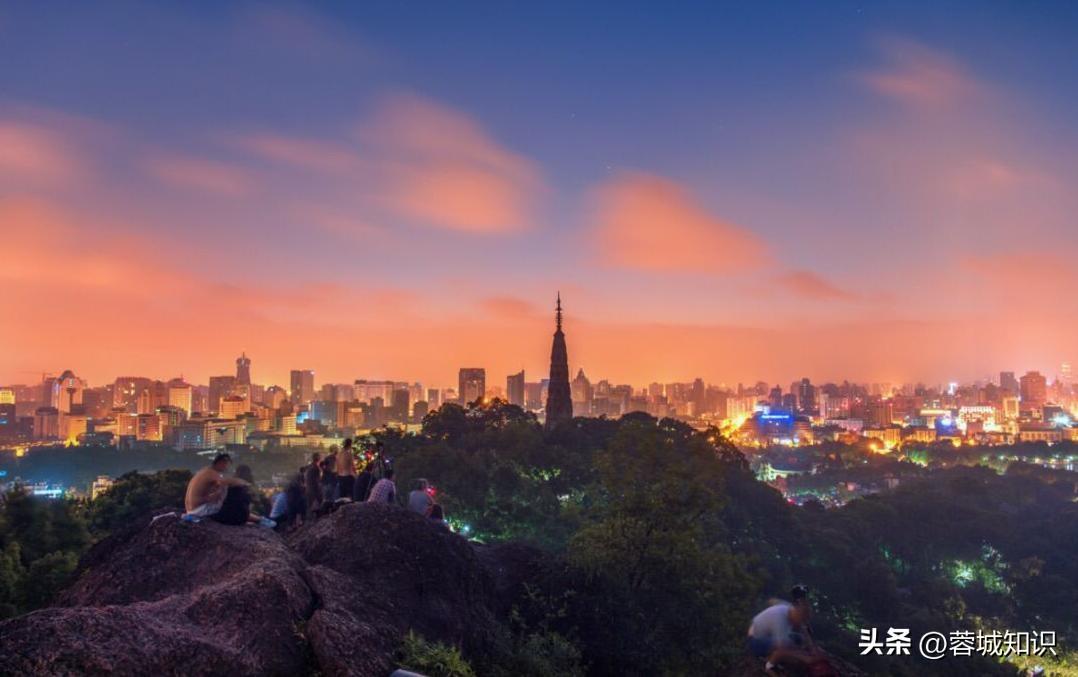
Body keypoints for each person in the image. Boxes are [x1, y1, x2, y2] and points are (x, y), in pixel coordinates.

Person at [184, 454, 274, 527]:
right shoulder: (212, 473)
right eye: (226, 465)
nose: (226, 468)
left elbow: (209, 493)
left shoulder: (204, 472)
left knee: (224, 493)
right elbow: (225, 482)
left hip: (193, 510)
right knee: (230, 491)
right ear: (220, 463)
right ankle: (259, 520)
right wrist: (243, 482)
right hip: (198, 511)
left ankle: (258, 519)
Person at [747, 585, 820, 673]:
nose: (802, 622)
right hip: (756, 640)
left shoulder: (790, 608)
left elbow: (772, 601)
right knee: (787, 648)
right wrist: (805, 658)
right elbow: (782, 648)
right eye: (802, 618)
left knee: (798, 639)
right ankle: (770, 666)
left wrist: (812, 648)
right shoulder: (780, 620)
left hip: (767, 632)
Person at [305, 452, 323, 517]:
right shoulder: (316, 468)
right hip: (314, 491)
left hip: (308, 489)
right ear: (318, 458)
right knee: (319, 507)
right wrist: (320, 492)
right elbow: (317, 482)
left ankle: (308, 523)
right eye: (320, 457)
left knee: (309, 508)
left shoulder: (309, 466)